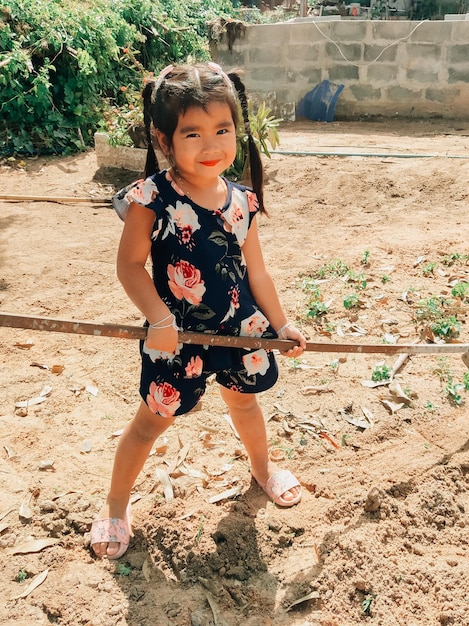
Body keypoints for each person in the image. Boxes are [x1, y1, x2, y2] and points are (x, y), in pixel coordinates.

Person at [91, 63, 307, 560]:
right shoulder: (153, 198)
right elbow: (129, 267)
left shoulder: (242, 201)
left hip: (241, 334)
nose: (211, 146)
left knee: (246, 405)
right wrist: (160, 321)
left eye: (222, 130)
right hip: (177, 339)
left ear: (238, 128)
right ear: (163, 139)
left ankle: (262, 469)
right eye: (193, 133)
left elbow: (258, 273)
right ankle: (116, 507)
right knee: (149, 423)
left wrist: (281, 323)